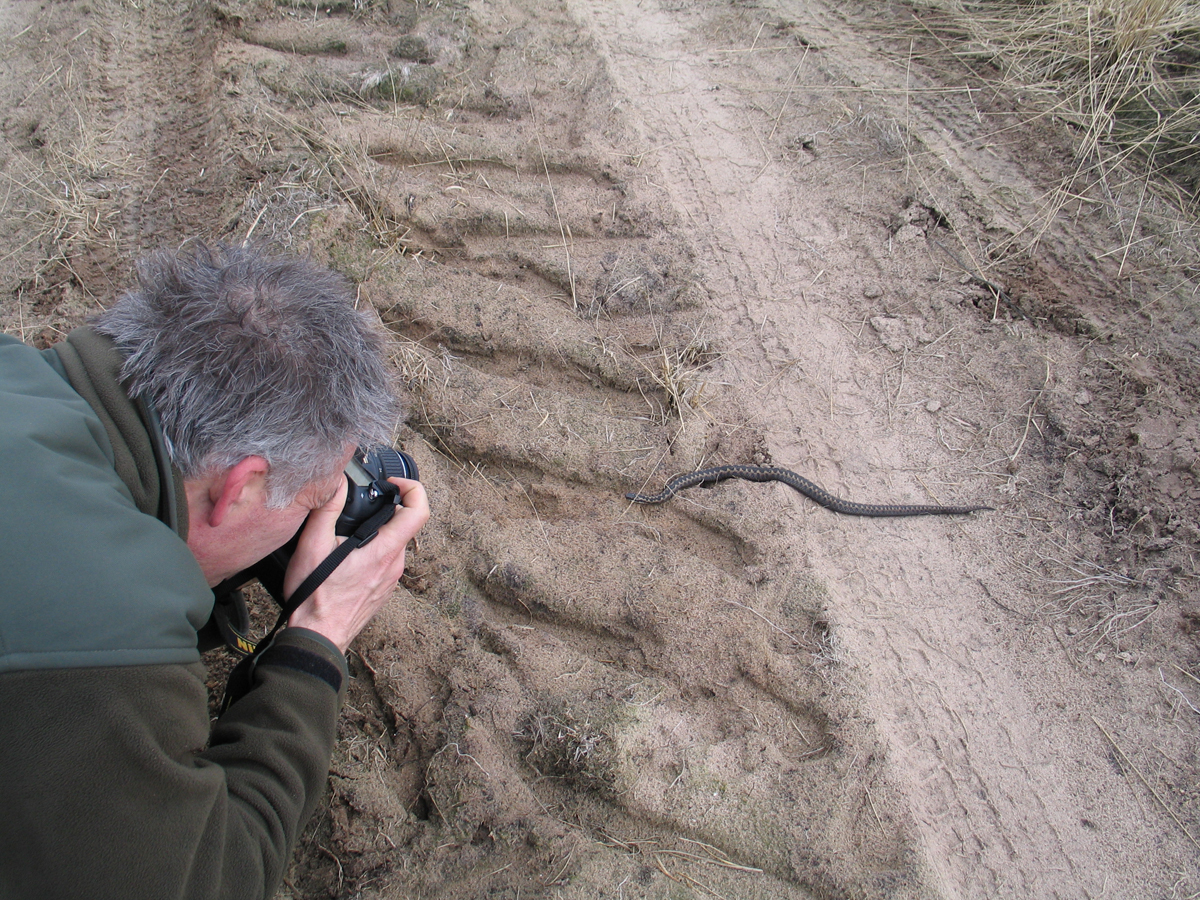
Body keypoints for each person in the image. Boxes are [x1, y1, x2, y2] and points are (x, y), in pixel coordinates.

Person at [0, 244, 429, 899]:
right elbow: (211, 875)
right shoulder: (108, 629)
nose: (324, 508)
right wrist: (318, 634)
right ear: (240, 488)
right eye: (317, 496)